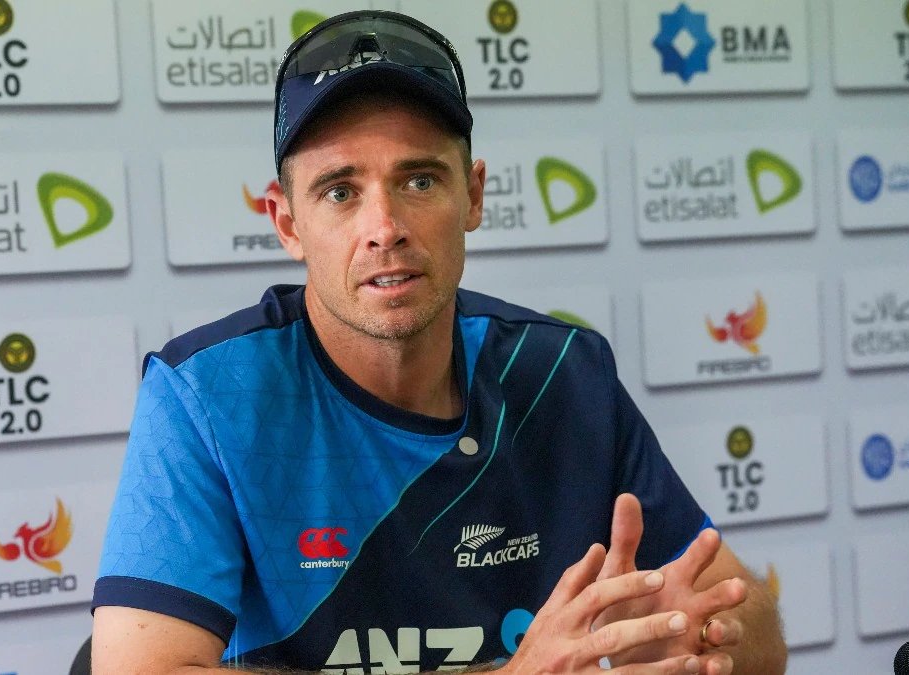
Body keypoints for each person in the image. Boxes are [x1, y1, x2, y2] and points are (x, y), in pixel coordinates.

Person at [91, 11, 786, 675]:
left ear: (474, 196)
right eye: (339, 191)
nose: (384, 226)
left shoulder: (563, 374)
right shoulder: (205, 396)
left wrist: (699, 638)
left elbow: (753, 635)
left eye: (419, 180)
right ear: (287, 222)